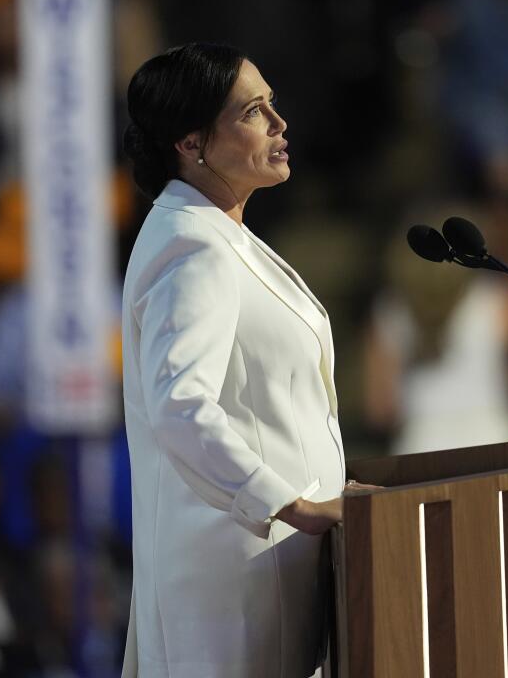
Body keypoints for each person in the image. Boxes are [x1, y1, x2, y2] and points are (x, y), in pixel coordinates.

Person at [120, 43, 367, 677]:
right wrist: (292, 505)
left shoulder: (215, 232)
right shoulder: (192, 248)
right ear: (191, 142)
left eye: (272, 105)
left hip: (269, 567)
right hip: (235, 576)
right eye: (254, 111)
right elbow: (180, 407)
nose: (279, 126)